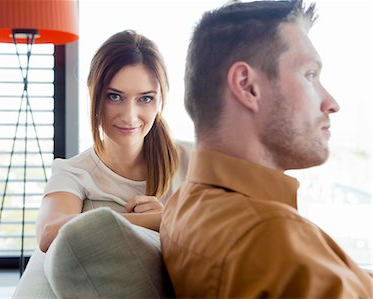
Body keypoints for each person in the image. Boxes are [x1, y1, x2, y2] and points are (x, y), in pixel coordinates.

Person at [160, 0, 373, 298]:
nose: (331, 103)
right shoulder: (272, 238)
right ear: (248, 87)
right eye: (310, 75)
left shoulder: (185, 203)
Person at [36, 30, 191, 253]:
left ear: (160, 101)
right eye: (114, 96)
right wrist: (161, 219)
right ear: (94, 94)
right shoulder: (74, 172)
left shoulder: (195, 159)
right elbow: (49, 234)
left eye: (145, 98)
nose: (129, 116)